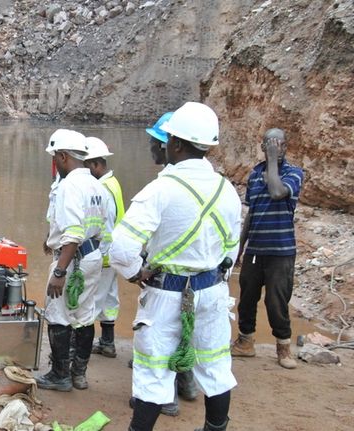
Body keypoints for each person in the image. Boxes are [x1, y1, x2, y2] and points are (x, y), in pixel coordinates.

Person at [109, 102, 241, 431]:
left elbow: (122, 248)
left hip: (166, 295)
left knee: (154, 373)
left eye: (167, 139)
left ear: (178, 144)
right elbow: (232, 248)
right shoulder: (227, 191)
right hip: (212, 292)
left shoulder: (160, 190)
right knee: (215, 367)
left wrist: (136, 273)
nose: (164, 144)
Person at [130, 112, 199, 417]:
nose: (151, 148)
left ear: (169, 144)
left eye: (154, 142)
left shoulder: (167, 185)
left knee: (163, 334)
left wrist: (137, 268)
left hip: (169, 275)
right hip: (199, 277)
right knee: (186, 328)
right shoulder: (202, 183)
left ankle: (165, 398)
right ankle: (187, 384)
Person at [37, 129, 112, 392]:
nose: (55, 163)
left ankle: (60, 375)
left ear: (63, 156)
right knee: (84, 315)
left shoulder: (69, 186)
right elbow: (102, 228)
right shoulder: (97, 185)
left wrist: (59, 272)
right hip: (91, 257)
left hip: (71, 260)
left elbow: (73, 233)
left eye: (56, 157)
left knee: (58, 315)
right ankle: (79, 374)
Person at [231, 128, 304, 369]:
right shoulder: (254, 175)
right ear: (262, 147)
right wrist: (239, 249)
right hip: (256, 250)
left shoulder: (294, 174)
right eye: (270, 145)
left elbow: (276, 192)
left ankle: (283, 348)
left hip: (281, 251)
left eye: (280, 144)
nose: (276, 148)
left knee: (277, 301)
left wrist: (272, 161)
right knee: (247, 298)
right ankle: (245, 342)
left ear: (286, 147)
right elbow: (251, 214)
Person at [82, 137, 124, 359]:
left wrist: (99, 254)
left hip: (104, 254)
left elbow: (105, 225)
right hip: (114, 254)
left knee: (91, 301)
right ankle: (107, 342)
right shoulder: (113, 183)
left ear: (96, 165)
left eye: (86, 166)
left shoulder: (102, 189)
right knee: (109, 299)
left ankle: (79, 350)